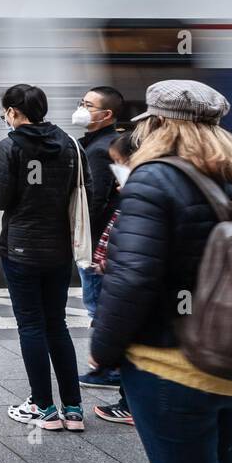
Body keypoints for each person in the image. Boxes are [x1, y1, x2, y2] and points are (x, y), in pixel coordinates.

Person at [90, 80, 232, 463]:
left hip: (172, 364)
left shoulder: (153, 179)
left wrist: (102, 349)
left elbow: (133, 277)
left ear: (157, 124)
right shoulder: (230, 172)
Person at [0, 83, 91, 431]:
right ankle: (74, 410)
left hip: (20, 250)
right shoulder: (71, 145)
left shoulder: (10, 146)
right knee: (57, 324)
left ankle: (45, 409)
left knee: (31, 326)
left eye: (6, 111)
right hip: (61, 250)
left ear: (14, 112)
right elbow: (86, 190)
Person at [72, 86, 124, 391]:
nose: (81, 108)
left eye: (88, 105)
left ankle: (108, 369)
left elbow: (94, 202)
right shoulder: (104, 143)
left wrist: (80, 240)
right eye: (82, 102)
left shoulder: (100, 148)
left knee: (99, 307)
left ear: (106, 115)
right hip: (102, 244)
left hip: (96, 246)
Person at [89, 132, 136, 425]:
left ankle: (130, 404)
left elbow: (132, 277)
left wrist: (104, 348)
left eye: (121, 166)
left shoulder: (142, 199)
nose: (117, 181)